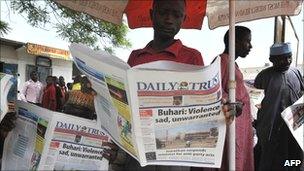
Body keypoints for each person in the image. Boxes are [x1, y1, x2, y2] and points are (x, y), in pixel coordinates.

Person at [194, 26, 254, 171]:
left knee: (239, 159)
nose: (250, 46)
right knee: (232, 161)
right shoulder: (221, 60)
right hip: (231, 124)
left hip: (241, 125)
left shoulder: (233, 63)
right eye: (247, 42)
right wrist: (233, 102)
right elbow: (213, 90)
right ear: (236, 42)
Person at [254, 42, 304, 171]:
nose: (287, 61)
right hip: (270, 129)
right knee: (272, 160)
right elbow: (254, 102)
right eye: (282, 58)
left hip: (294, 127)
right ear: (272, 60)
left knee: (294, 159)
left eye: (289, 57)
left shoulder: (296, 72)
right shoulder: (263, 77)